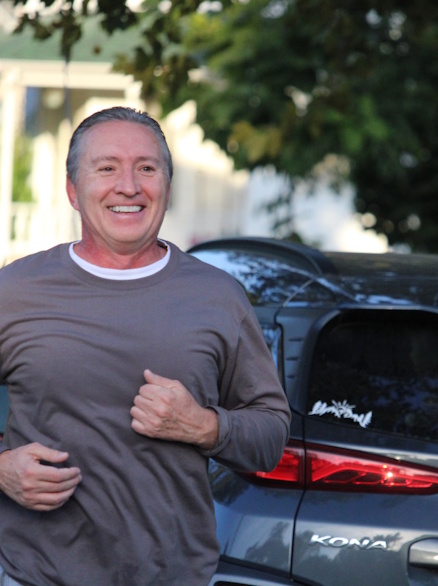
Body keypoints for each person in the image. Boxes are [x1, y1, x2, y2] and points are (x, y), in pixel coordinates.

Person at [0, 107, 291, 586]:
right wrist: (3, 469)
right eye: (107, 167)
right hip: (36, 576)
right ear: (73, 190)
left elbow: (271, 437)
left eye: (147, 168)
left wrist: (202, 425)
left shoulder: (217, 297)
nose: (129, 186)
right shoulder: (16, 291)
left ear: (167, 189)